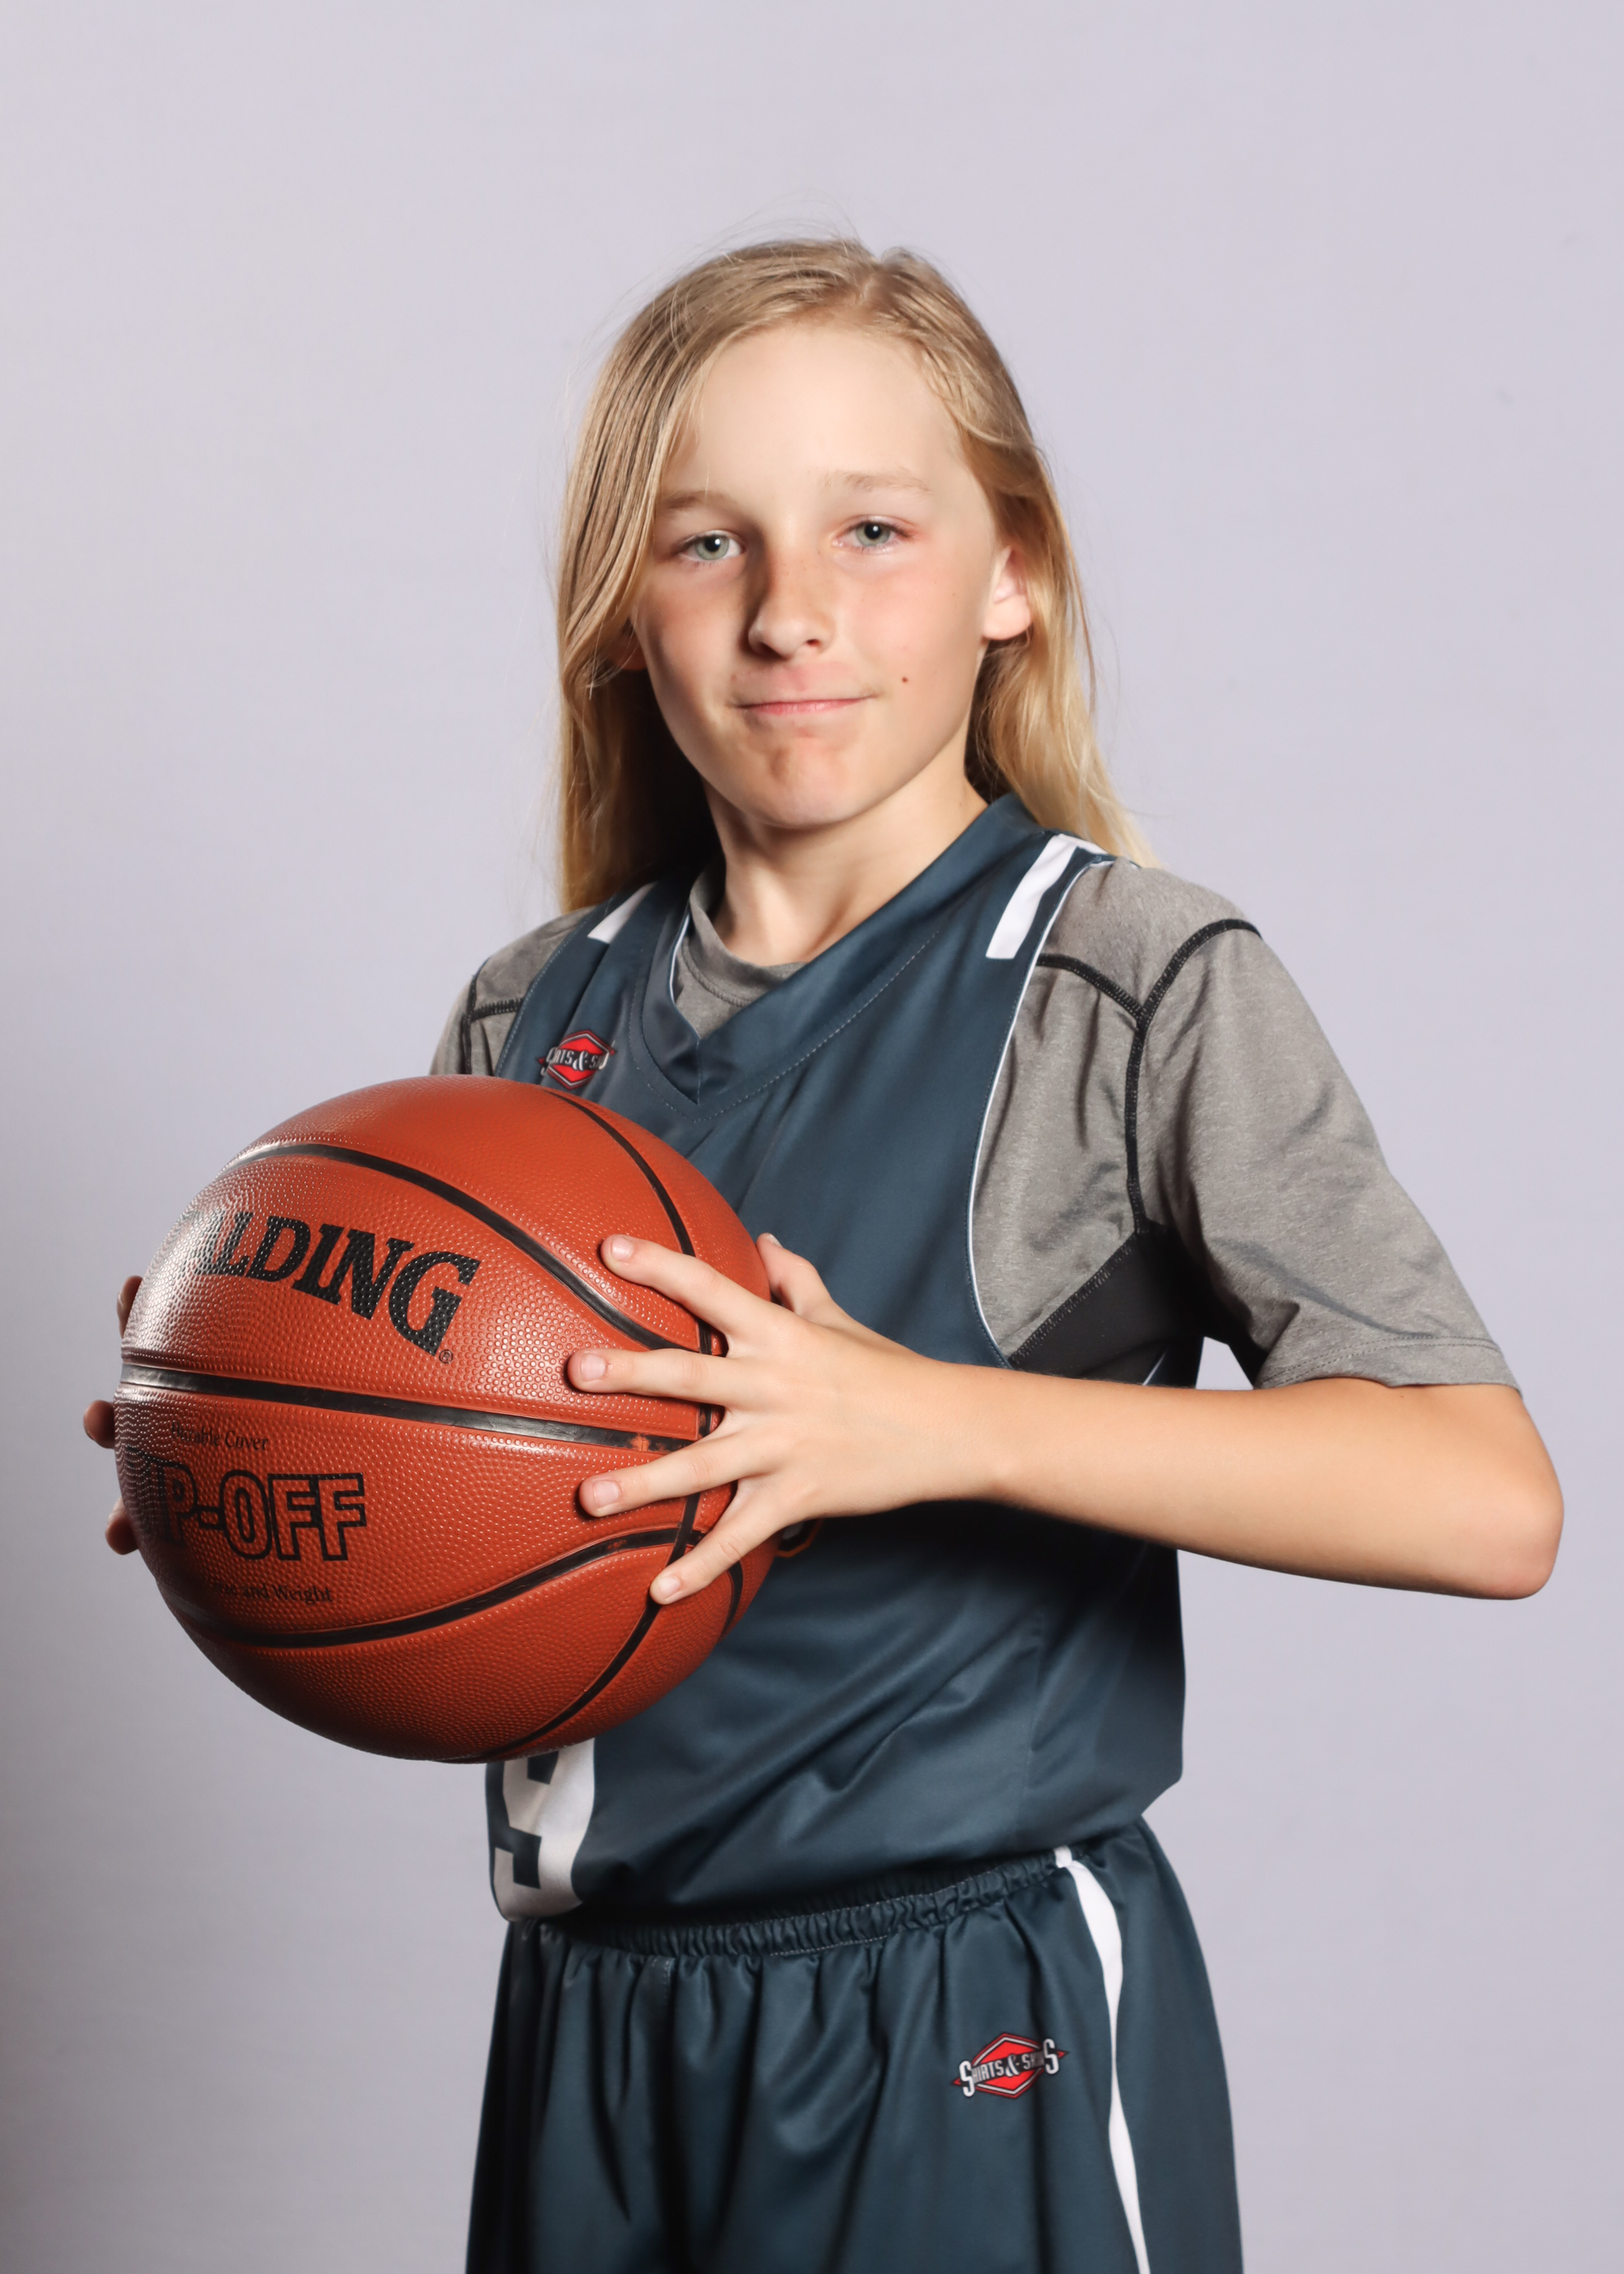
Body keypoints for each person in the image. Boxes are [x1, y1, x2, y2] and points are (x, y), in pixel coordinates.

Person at [88, 240, 1562, 2273]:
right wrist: (251, 1445)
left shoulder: (1118, 983)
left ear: (1010, 572)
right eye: (708, 541)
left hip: (961, 2011)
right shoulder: (530, 1017)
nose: (790, 609)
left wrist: (922, 1419)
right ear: (625, 607)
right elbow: (470, 1504)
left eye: (873, 528)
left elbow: (1483, 1496)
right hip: (594, 2018)